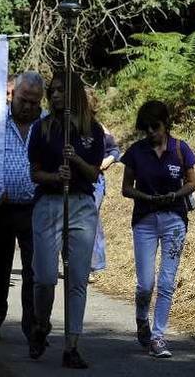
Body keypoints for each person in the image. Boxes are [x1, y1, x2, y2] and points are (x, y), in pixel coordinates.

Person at [26, 71, 105, 369]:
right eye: (53, 91)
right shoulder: (42, 128)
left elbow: (94, 173)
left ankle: (71, 345)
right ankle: (41, 324)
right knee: (45, 277)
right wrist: (54, 175)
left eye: (61, 91)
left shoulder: (92, 130)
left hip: (82, 205)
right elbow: (34, 173)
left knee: (77, 280)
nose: (55, 95)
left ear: (73, 94)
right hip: (48, 203)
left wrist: (77, 161)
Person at [120, 100, 195, 358]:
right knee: (145, 284)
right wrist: (146, 197)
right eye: (147, 128)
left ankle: (158, 337)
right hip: (145, 220)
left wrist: (176, 193)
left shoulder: (180, 149)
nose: (151, 132)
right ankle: (142, 318)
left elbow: (192, 183)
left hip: (174, 219)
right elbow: (126, 187)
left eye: (156, 126)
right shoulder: (136, 151)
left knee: (166, 282)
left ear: (166, 124)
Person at [0, 72, 44, 342]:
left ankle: (33, 326)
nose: (28, 106)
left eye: (34, 102)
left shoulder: (47, 124)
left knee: (34, 269)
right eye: (23, 100)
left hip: (35, 207)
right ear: (12, 94)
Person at [86, 88, 120, 282]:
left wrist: (108, 161)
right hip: (75, 180)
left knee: (91, 219)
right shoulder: (68, 128)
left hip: (95, 181)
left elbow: (115, 151)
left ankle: (91, 266)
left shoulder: (100, 129)